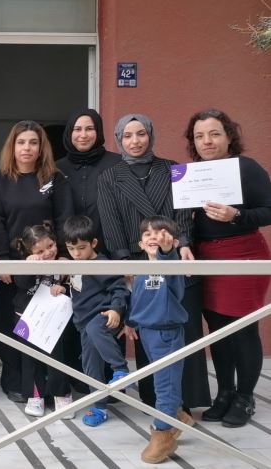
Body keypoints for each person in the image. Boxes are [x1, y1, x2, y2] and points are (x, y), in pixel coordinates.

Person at [97, 113, 210, 410]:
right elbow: (111, 224)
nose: (135, 141)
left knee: (184, 329)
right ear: (119, 139)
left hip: (175, 258)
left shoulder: (173, 169)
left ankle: (186, 400)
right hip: (138, 265)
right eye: (127, 136)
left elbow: (184, 213)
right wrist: (125, 265)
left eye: (141, 134)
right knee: (150, 331)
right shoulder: (109, 177)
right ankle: (157, 401)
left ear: (151, 135)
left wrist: (182, 243)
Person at [185, 109, 271, 427]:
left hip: (244, 254)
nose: (207, 141)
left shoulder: (246, 167)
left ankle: (245, 397)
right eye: (199, 136)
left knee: (244, 328)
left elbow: (268, 210)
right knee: (218, 328)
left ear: (229, 136)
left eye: (214, 134)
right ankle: (224, 393)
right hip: (206, 257)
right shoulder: (191, 174)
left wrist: (237, 215)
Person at [0, 120, 74, 403]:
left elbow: (64, 218)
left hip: (48, 266)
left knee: (49, 327)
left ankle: (52, 387)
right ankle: (16, 382)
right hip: (12, 268)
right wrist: (4, 261)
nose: (27, 148)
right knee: (12, 326)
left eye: (33, 143)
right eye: (21, 142)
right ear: (12, 147)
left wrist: (61, 256)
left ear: (41, 147)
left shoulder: (55, 180)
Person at [123, 216, 195, 465]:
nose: (154, 237)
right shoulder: (141, 270)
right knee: (162, 381)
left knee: (164, 386)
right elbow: (138, 300)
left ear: (172, 242)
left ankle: (162, 433)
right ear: (140, 244)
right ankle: (177, 415)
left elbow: (168, 262)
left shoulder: (171, 268)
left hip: (167, 334)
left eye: (161, 234)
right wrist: (131, 321)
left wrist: (167, 252)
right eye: (148, 234)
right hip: (147, 333)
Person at [62, 215, 130, 427]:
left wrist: (116, 310)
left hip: (102, 317)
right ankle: (99, 408)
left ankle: (121, 370)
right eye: (71, 249)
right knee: (90, 366)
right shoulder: (74, 264)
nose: (76, 254)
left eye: (81, 248)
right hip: (83, 324)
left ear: (93, 243)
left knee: (94, 329)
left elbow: (119, 288)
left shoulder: (101, 264)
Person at [12, 223, 74, 418]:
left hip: (54, 318)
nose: (47, 253)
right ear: (29, 252)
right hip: (27, 317)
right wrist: (30, 266)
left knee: (57, 356)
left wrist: (64, 288)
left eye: (50, 246)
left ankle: (61, 393)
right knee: (30, 358)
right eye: (39, 251)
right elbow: (21, 284)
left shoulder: (62, 262)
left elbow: (73, 285)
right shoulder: (25, 264)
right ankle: (35, 395)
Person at [56, 109, 121, 255]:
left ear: (99, 131)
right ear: (69, 132)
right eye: (77, 129)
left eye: (90, 129)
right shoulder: (56, 169)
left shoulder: (117, 164)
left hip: (111, 253)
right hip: (69, 254)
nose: (83, 135)